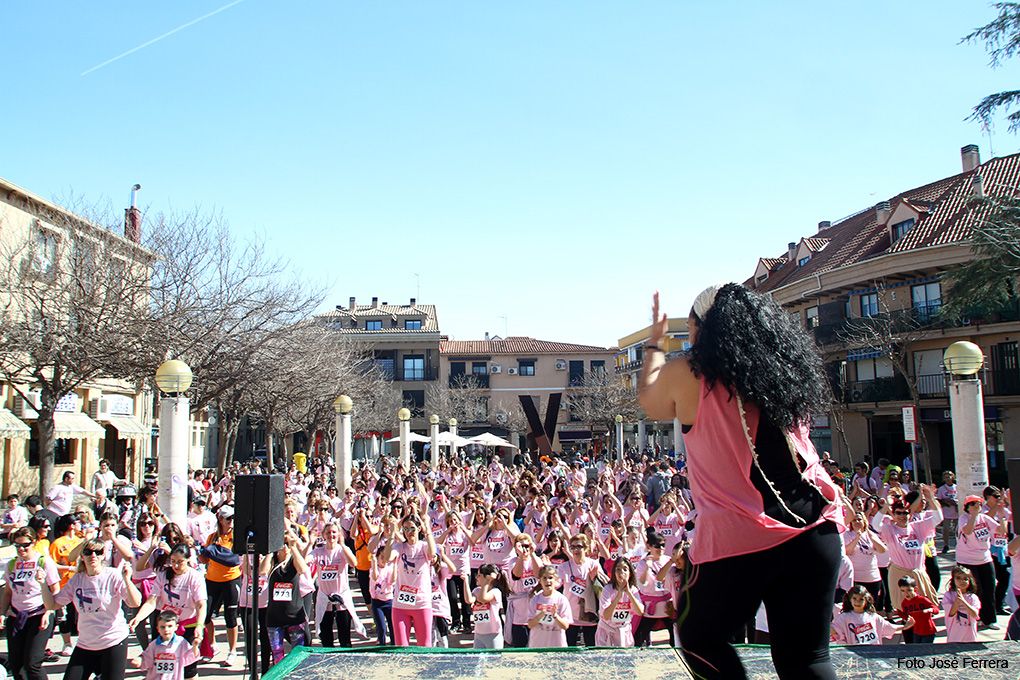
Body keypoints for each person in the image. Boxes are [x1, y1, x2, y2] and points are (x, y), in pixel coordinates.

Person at [638, 285, 843, 679]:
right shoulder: (783, 370)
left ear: (701, 329)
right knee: (807, 659)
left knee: (698, 636)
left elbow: (650, 401)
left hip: (742, 535)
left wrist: (656, 345)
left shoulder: (691, 374)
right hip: (816, 527)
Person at [39, 538, 142, 680]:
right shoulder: (77, 579)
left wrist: (127, 580)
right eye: (88, 552)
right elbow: (52, 605)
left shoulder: (112, 575)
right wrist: (42, 583)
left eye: (97, 552)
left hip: (113, 640)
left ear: (103, 555)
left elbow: (135, 602)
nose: (93, 556)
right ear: (82, 556)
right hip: (86, 643)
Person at [128, 544, 207, 679]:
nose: (175, 566)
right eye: (173, 561)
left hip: (187, 625)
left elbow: (200, 604)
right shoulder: (163, 575)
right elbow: (152, 601)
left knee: (188, 668)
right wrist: (139, 618)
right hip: (166, 624)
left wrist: (199, 626)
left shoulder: (195, 577)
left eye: (180, 562)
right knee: (160, 662)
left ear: (188, 560)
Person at [0, 527, 60, 680]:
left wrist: (49, 612)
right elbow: (8, 592)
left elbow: (55, 589)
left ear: (33, 543)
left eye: (25, 545)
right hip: (17, 616)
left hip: (39, 615)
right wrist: (1, 613)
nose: (21, 549)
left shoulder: (43, 562)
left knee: (32, 663)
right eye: (17, 546)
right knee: (16, 665)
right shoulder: (12, 564)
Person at [381, 509, 437, 646]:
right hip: (401, 604)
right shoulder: (399, 547)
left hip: (421, 603)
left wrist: (427, 529)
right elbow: (388, 557)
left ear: (418, 529)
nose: (409, 532)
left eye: (412, 528)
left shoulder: (423, 546)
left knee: (424, 645)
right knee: (401, 646)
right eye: (405, 529)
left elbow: (432, 553)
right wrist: (392, 535)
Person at [200, 506, 241, 664]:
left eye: (233, 518)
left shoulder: (236, 537)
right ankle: (212, 645)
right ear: (221, 520)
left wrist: (214, 552)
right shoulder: (212, 538)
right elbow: (204, 560)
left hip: (231, 580)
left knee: (230, 617)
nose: (231, 522)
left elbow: (233, 560)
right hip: (212, 580)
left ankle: (232, 650)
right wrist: (203, 551)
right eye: (228, 519)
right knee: (206, 615)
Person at [956, 494, 1003, 630]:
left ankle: (989, 619)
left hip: (984, 558)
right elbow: (968, 531)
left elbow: (1001, 530)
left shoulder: (985, 518)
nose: (977, 506)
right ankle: (972, 618)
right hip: (967, 560)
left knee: (989, 588)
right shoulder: (964, 519)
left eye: (979, 504)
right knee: (973, 590)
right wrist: (974, 516)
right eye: (973, 504)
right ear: (967, 507)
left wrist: (1001, 515)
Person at [830, 585, 912, 645]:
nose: (857, 602)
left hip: (872, 654)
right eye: (854, 599)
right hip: (854, 656)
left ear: (866, 600)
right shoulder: (844, 617)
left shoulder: (873, 617)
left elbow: (889, 627)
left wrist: (905, 626)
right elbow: (835, 631)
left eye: (861, 599)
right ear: (850, 599)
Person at [133, 611, 198, 680]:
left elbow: (191, 656)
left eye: (170, 626)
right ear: (158, 628)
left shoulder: (181, 643)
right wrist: (140, 660)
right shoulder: (154, 644)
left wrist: (195, 647)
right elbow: (147, 656)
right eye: (162, 627)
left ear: (176, 627)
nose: (166, 630)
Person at [595, 557, 644, 647]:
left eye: (625, 569)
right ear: (614, 572)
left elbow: (640, 612)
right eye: (618, 569)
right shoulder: (607, 589)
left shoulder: (633, 590)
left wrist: (629, 593)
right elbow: (606, 615)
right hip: (606, 632)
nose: (621, 572)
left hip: (624, 632)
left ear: (630, 573)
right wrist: (618, 597)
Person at [526, 565, 571, 647]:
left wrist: (555, 616)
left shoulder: (562, 599)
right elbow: (530, 624)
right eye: (544, 578)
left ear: (556, 580)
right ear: (540, 581)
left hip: (557, 646)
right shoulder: (535, 599)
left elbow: (565, 626)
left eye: (550, 578)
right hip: (537, 645)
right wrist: (540, 615)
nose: (547, 581)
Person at [464, 564, 504, 649]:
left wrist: (487, 582)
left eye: (479, 575)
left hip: (493, 633)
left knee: (493, 661)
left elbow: (483, 598)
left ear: (486, 577)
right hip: (479, 633)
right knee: (478, 660)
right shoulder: (477, 590)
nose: (476, 577)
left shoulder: (495, 592)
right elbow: (469, 600)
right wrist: (465, 582)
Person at [894, 576, 938, 644]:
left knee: (925, 649)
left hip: (928, 631)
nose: (906, 593)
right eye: (902, 591)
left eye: (909, 590)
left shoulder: (922, 600)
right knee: (917, 648)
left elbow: (936, 609)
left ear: (915, 589)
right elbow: (907, 616)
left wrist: (930, 610)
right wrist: (899, 613)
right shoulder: (904, 603)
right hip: (916, 631)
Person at [942, 566, 980, 643]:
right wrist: (957, 601)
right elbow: (951, 613)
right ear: (953, 580)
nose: (962, 581)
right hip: (954, 637)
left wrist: (963, 601)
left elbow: (975, 614)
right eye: (958, 578)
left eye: (965, 579)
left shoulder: (973, 597)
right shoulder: (948, 595)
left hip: (970, 637)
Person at [935, 471, 958, 554]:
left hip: (956, 511)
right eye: (946, 477)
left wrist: (955, 503)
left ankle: (959, 544)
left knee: (958, 528)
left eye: (949, 476)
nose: (948, 478)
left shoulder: (957, 487)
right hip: (947, 511)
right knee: (946, 529)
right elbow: (938, 500)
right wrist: (946, 502)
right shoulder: (941, 489)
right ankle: (946, 545)